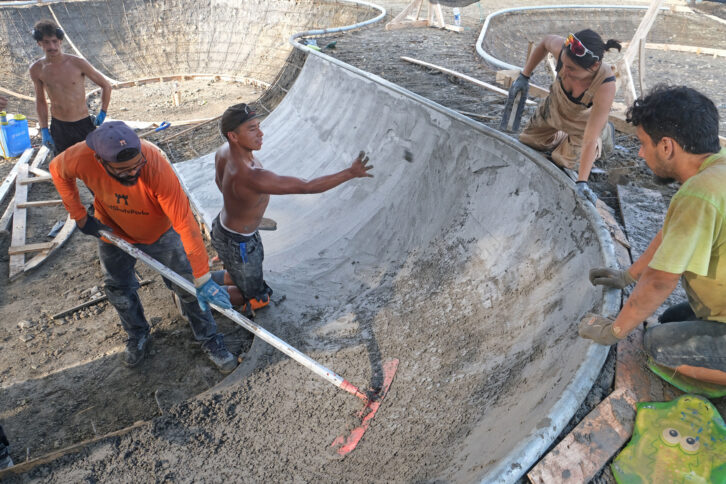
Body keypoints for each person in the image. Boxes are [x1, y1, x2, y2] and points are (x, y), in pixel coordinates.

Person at [50, 121, 237, 372]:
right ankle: (137, 335)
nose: (134, 172)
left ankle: (209, 338)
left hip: (159, 233)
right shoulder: (80, 157)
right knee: (118, 288)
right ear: (100, 161)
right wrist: (80, 216)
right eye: (124, 170)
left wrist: (202, 278)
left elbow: (185, 224)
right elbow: (57, 170)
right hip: (112, 231)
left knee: (188, 286)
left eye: (137, 164)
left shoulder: (155, 166)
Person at [580, 85, 726, 390]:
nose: (640, 153)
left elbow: (661, 280)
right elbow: (670, 234)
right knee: (671, 319)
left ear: (667, 147)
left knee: (658, 346)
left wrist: (615, 331)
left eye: (643, 143)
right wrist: (627, 276)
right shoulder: (717, 166)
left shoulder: (700, 194)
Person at [211, 103, 373, 311]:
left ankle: (199, 278)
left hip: (223, 228)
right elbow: (306, 186)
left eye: (258, 126)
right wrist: (350, 173)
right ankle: (195, 293)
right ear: (233, 136)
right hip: (239, 243)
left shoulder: (223, 151)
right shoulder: (253, 176)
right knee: (257, 299)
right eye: (252, 129)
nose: (261, 133)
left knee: (238, 274)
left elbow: (219, 182)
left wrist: (242, 209)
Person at [507, 29, 620, 204]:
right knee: (528, 140)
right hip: (555, 108)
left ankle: (604, 136)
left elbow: (589, 138)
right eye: (564, 64)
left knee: (563, 161)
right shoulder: (565, 51)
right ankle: (562, 138)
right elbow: (545, 42)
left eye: (572, 69)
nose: (565, 71)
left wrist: (582, 181)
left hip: (583, 125)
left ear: (594, 66)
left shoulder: (605, 84)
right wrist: (524, 75)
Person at [29, 19, 111, 154]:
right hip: (59, 126)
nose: (52, 46)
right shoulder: (36, 69)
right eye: (46, 42)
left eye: (55, 41)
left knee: (90, 161)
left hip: (83, 123)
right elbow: (40, 100)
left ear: (60, 41)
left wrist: (103, 111)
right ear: (39, 43)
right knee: (64, 165)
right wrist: (44, 129)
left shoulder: (78, 63)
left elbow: (106, 85)